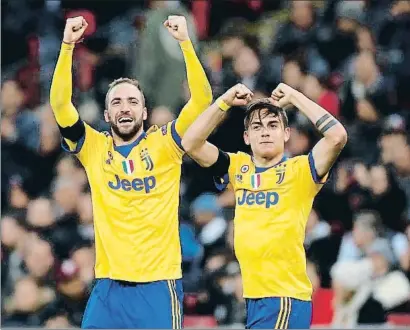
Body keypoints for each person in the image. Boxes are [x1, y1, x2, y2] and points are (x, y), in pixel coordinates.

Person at [50, 15, 212, 329]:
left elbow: (203, 99)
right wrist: (67, 45)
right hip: (109, 286)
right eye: (118, 102)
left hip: (157, 286)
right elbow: (60, 105)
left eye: (133, 101)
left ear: (145, 111)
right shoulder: (93, 147)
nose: (125, 107)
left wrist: (185, 44)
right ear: (107, 113)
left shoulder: (166, 143)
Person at [181, 82, 348, 329]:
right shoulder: (238, 167)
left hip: (284, 298)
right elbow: (191, 142)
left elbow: (337, 136)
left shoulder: (300, 170)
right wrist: (224, 101)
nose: (265, 132)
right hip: (255, 297)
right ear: (247, 137)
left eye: (273, 125)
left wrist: (295, 96)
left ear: (286, 133)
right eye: (257, 127)